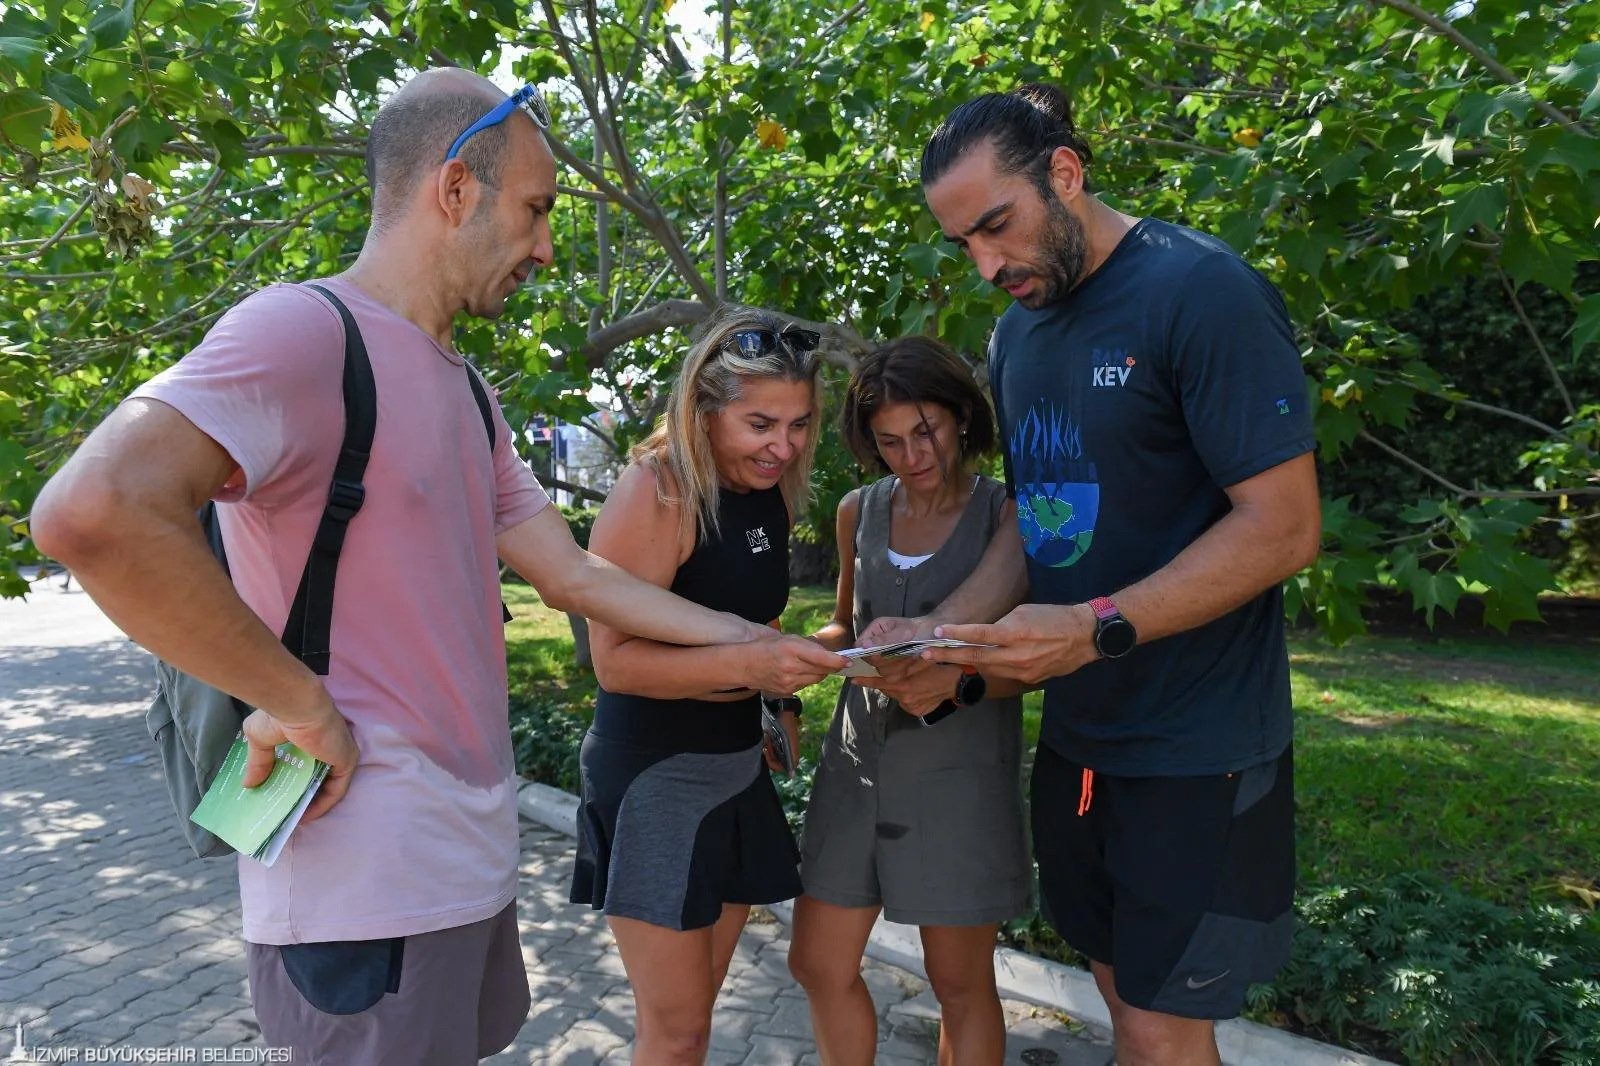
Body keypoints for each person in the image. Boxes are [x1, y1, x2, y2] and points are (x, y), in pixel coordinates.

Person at [29, 69, 831, 1066]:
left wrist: (761, 645)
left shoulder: (468, 390)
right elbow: (90, 511)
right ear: (455, 189)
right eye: (536, 210)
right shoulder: (303, 332)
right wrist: (296, 700)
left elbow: (575, 580)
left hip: (465, 862)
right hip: (360, 876)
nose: (545, 246)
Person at [868, 84, 1323, 1066]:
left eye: (997, 226)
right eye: (964, 245)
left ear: (1064, 175)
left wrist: (1092, 627)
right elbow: (1043, 530)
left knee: (1164, 1035)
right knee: (1127, 1014)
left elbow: (1283, 529)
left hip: (1199, 747)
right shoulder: (1017, 333)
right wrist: (938, 631)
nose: (987, 265)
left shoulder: (1202, 291)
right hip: (1082, 740)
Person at [570, 306, 847, 1066]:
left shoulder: (769, 487)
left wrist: (781, 690)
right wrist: (751, 667)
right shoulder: (656, 489)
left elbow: (751, 624)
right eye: (760, 423)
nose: (782, 445)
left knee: (698, 1012)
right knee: (677, 1032)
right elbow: (615, 663)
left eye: (797, 424)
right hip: (658, 773)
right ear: (703, 407)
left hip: (734, 765)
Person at [787, 337, 1029, 1066]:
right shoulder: (858, 509)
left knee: (959, 985)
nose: (910, 455)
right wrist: (808, 650)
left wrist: (953, 668)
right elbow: (845, 620)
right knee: (817, 964)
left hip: (959, 777)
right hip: (853, 768)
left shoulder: (1008, 517)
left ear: (960, 418)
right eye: (888, 441)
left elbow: (1034, 656)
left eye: (925, 432)